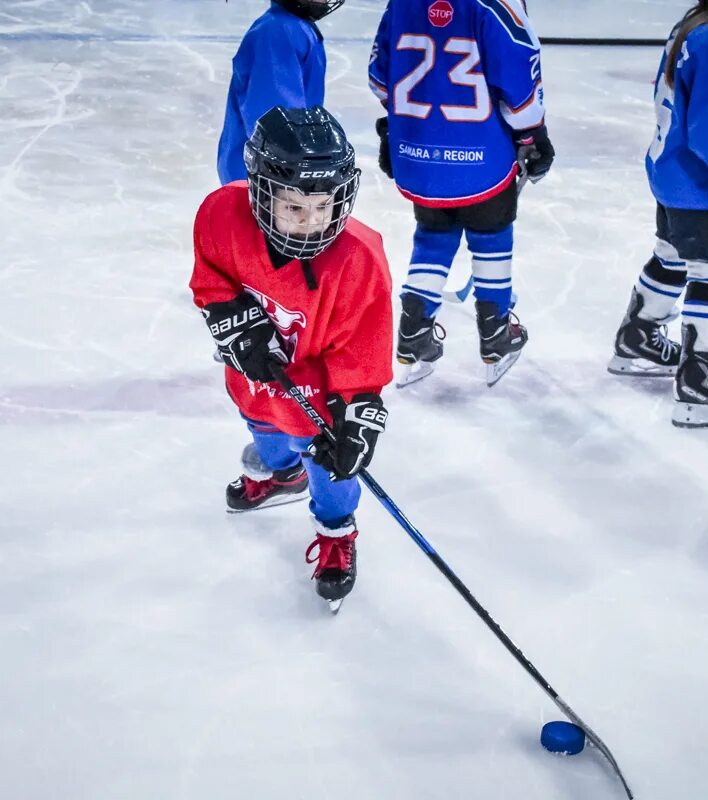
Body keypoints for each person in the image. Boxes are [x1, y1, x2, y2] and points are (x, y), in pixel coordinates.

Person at [191, 105, 393, 607]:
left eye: (324, 207)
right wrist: (234, 322)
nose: (312, 224)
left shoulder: (360, 260)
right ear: (262, 192)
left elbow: (363, 349)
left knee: (332, 470)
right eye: (295, 208)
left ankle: (336, 533)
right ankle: (283, 474)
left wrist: (357, 419)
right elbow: (210, 275)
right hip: (256, 377)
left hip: (320, 393)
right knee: (262, 428)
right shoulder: (221, 213)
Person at [368, 0, 555, 387]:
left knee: (433, 236)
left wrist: (398, 127)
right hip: (481, 157)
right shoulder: (493, 5)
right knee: (492, 238)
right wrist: (533, 135)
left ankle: (414, 333)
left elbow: (379, 79)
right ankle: (495, 336)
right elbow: (519, 81)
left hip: (419, 155)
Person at [608, 0, 708, 428]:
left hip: (672, 172)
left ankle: (638, 335)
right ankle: (701, 378)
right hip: (701, 182)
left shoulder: (694, 25)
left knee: (672, 255)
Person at [216, 0, 342, 185]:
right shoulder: (278, 32)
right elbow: (275, 126)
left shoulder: (294, 26)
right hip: (266, 178)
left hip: (279, 176)